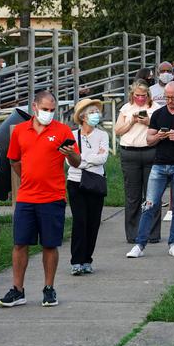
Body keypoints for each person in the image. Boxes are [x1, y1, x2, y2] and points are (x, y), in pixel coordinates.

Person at [0, 90, 81, 308]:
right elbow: (14, 160)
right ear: (34, 107)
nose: (49, 114)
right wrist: (28, 176)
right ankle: (17, 290)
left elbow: (77, 162)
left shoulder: (62, 131)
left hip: (53, 197)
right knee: (19, 243)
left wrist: (70, 153)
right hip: (26, 196)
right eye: (45, 109)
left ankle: (49, 288)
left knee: (50, 244)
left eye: (52, 110)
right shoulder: (20, 131)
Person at [126, 81, 174, 259]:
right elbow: (149, 139)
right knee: (149, 204)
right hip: (159, 164)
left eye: (173, 98)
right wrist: (158, 136)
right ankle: (139, 244)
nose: (170, 101)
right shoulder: (159, 114)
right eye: (167, 97)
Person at [114, 80, 161, 244]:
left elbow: (162, 129)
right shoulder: (126, 109)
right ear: (132, 95)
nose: (140, 98)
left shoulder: (155, 108)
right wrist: (132, 121)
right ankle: (133, 234)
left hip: (150, 152)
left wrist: (148, 122)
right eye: (137, 95)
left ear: (148, 95)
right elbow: (117, 130)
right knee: (132, 196)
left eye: (143, 95)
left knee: (152, 195)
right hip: (130, 153)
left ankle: (152, 233)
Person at [67, 99, 109, 275]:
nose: (95, 115)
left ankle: (87, 259)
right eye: (91, 112)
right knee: (80, 221)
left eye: (96, 112)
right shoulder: (71, 135)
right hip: (75, 182)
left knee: (93, 221)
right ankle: (76, 260)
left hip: (95, 182)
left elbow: (103, 158)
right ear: (82, 116)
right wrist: (88, 158)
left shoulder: (102, 135)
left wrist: (82, 158)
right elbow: (70, 161)